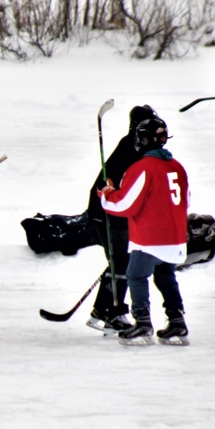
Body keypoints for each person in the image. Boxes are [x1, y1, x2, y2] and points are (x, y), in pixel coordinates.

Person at [99, 116, 190, 346]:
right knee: (166, 275)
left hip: (150, 239)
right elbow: (186, 202)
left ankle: (142, 323)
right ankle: (177, 321)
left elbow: (124, 204)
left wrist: (107, 194)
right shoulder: (177, 166)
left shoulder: (141, 168)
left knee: (136, 275)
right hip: (176, 239)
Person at [84, 105, 159, 336]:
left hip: (115, 211)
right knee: (123, 262)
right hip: (107, 212)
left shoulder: (138, 145)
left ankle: (102, 309)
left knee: (121, 261)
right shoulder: (133, 147)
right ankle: (112, 313)